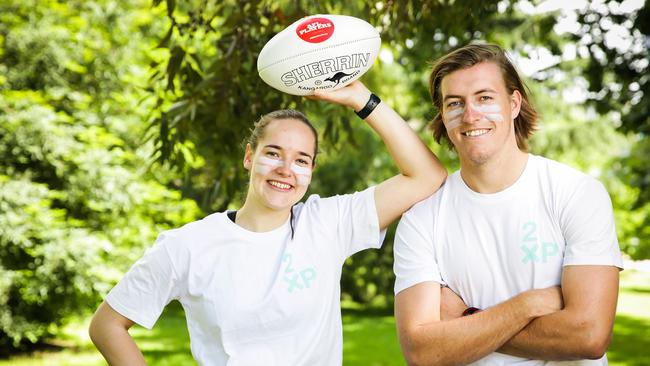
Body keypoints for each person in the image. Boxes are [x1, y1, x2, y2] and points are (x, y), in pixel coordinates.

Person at [88, 80, 447, 365]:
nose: (285, 170)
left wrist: (361, 99)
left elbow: (426, 175)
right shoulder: (188, 245)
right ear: (249, 157)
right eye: (273, 153)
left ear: (311, 171)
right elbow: (107, 326)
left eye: (301, 160)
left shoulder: (327, 225)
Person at [393, 43, 623, 365]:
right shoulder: (421, 219)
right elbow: (421, 351)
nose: (471, 115)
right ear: (443, 117)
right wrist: (525, 306)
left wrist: (466, 318)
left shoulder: (576, 193)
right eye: (455, 103)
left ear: (514, 103)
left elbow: (588, 335)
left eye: (485, 98)